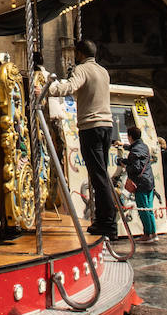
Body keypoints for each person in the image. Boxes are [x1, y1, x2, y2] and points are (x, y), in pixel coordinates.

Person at [47, 40, 116, 238]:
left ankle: (108, 223)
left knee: (98, 176)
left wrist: (48, 90)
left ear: (79, 53)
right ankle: (106, 220)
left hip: (91, 127)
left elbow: (71, 87)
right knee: (102, 174)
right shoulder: (103, 71)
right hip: (106, 126)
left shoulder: (82, 69)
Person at [122, 125, 157, 242]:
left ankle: (147, 234)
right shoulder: (143, 146)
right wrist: (123, 147)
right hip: (149, 181)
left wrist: (125, 165)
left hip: (140, 183)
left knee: (143, 209)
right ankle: (153, 233)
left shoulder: (135, 150)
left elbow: (135, 167)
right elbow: (137, 157)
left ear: (130, 136)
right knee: (149, 209)